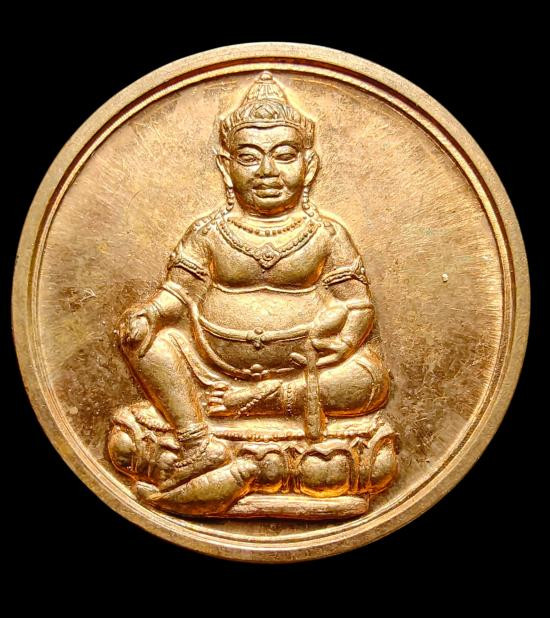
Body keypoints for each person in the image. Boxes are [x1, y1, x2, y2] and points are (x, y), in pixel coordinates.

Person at [108, 72, 398, 518]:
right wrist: (150, 314)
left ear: (309, 166)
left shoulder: (326, 235)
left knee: (368, 376)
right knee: (149, 344)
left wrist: (342, 344)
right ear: (226, 167)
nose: (267, 171)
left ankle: (256, 411)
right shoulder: (209, 233)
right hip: (211, 371)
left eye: (284, 156)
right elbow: (177, 294)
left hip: (303, 375)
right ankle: (197, 442)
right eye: (249, 157)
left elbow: (357, 305)